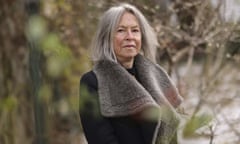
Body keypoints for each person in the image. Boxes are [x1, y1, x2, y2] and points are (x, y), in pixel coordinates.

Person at [79, 3, 183, 144]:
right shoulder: (92, 82)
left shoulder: (156, 77)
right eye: (121, 30)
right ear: (106, 37)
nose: (130, 37)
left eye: (135, 30)